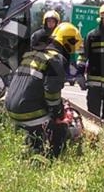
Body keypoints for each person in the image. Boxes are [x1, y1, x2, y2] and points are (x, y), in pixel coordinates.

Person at [5, 22, 82, 157]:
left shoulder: (33, 53)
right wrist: (59, 115)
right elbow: (52, 93)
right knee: (59, 129)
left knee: (38, 128)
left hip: (11, 109)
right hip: (27, 111)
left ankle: (31, 149)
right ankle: (51, 160)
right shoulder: (56, 59)